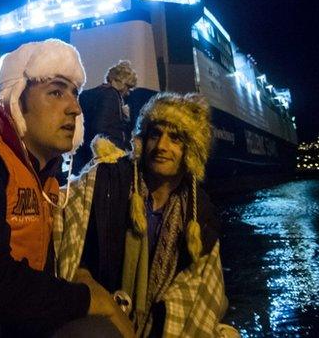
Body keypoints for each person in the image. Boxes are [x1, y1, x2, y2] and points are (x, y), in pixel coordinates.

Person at [0, 39, 134, 337]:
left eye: (75, 94)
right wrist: (92, 299)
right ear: (17, 100)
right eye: (56, 92)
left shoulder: (43, 174)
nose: (74, 108)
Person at [56, 93, 239, 337]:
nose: (162, 146)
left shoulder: (199, 210)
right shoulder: (108, 182)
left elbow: (200, 288)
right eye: (155, 134)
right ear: (144, 139)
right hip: (100, 318)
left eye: (175, 138)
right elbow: (77, 258)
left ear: (191, 150)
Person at [72, 60, 139, 174]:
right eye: (128, 87)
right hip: (103, 159)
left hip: (83, 157)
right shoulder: (111, 94)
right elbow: (100, 128)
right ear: (119, 81)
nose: (128, 93)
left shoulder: (89, 94)